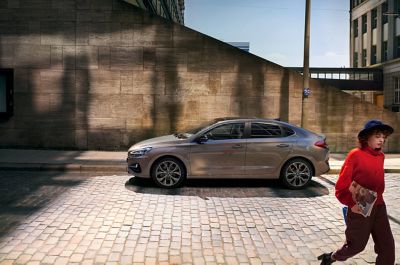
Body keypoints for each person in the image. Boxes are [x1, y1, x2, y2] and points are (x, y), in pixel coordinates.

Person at [318, 120, 395, 265]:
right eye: (378, 136)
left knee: (387, 247)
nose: (382, 139)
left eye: (383, 137)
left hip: (379, 207)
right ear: (366, 138)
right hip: (360, 208)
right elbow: (341, 186)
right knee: (356, 246)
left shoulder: (381, 156)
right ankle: (331, 257)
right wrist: (352, 203)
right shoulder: (355, 155)